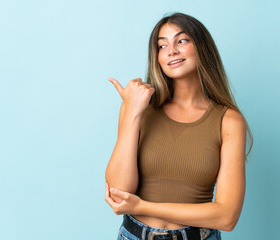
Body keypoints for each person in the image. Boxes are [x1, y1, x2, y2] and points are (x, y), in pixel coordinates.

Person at [105, 12, 253, 240]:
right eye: (162, 46)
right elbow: (118, 192)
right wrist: (133, 112)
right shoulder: (138, 107)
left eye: (181, 41)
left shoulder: (228, 121)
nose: (171, 51)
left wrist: (142, 207)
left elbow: (227, 216)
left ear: (202, 47)